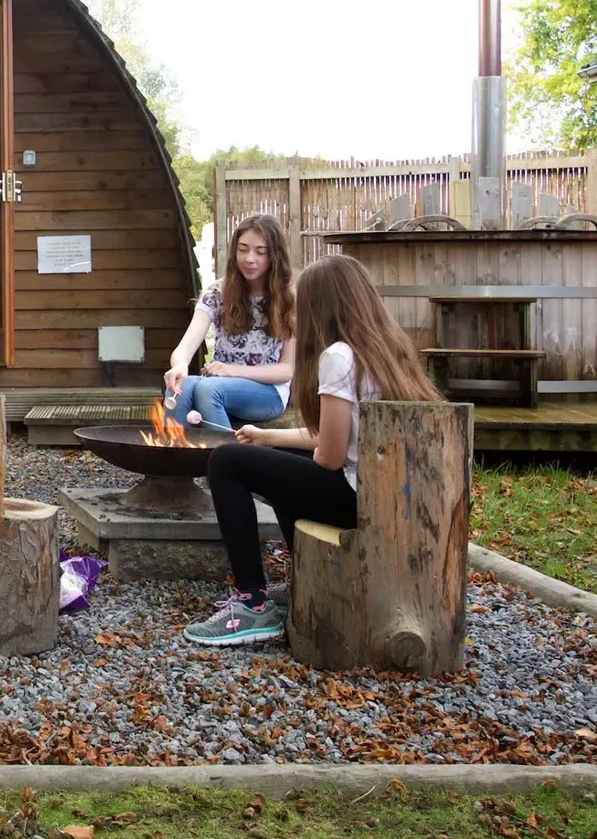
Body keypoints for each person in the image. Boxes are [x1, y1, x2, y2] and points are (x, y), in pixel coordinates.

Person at [183, 252, 443, 646]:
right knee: (278, 465)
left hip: (359, 498)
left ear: (321, 306)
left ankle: (253, 602)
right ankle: (302, 581)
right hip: (389, 491)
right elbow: (336, 437)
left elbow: (330, 456)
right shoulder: (387, 345)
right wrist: (268, 439)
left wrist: (277, 458)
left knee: (224, 462)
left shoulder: (338, 357)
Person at [163, 215, 296, 434]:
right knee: (180, 388)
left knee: (207, 389)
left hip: (268, 393)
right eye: (243, 249)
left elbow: (286, 370)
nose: (249, 258)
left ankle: (231, 464)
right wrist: (179, 365)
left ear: (275, 255)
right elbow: (186, 346)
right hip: (219, 385)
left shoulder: (289, 299)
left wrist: (232, 370)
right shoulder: (217, 293)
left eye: (260, 252)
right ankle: (175, 462)